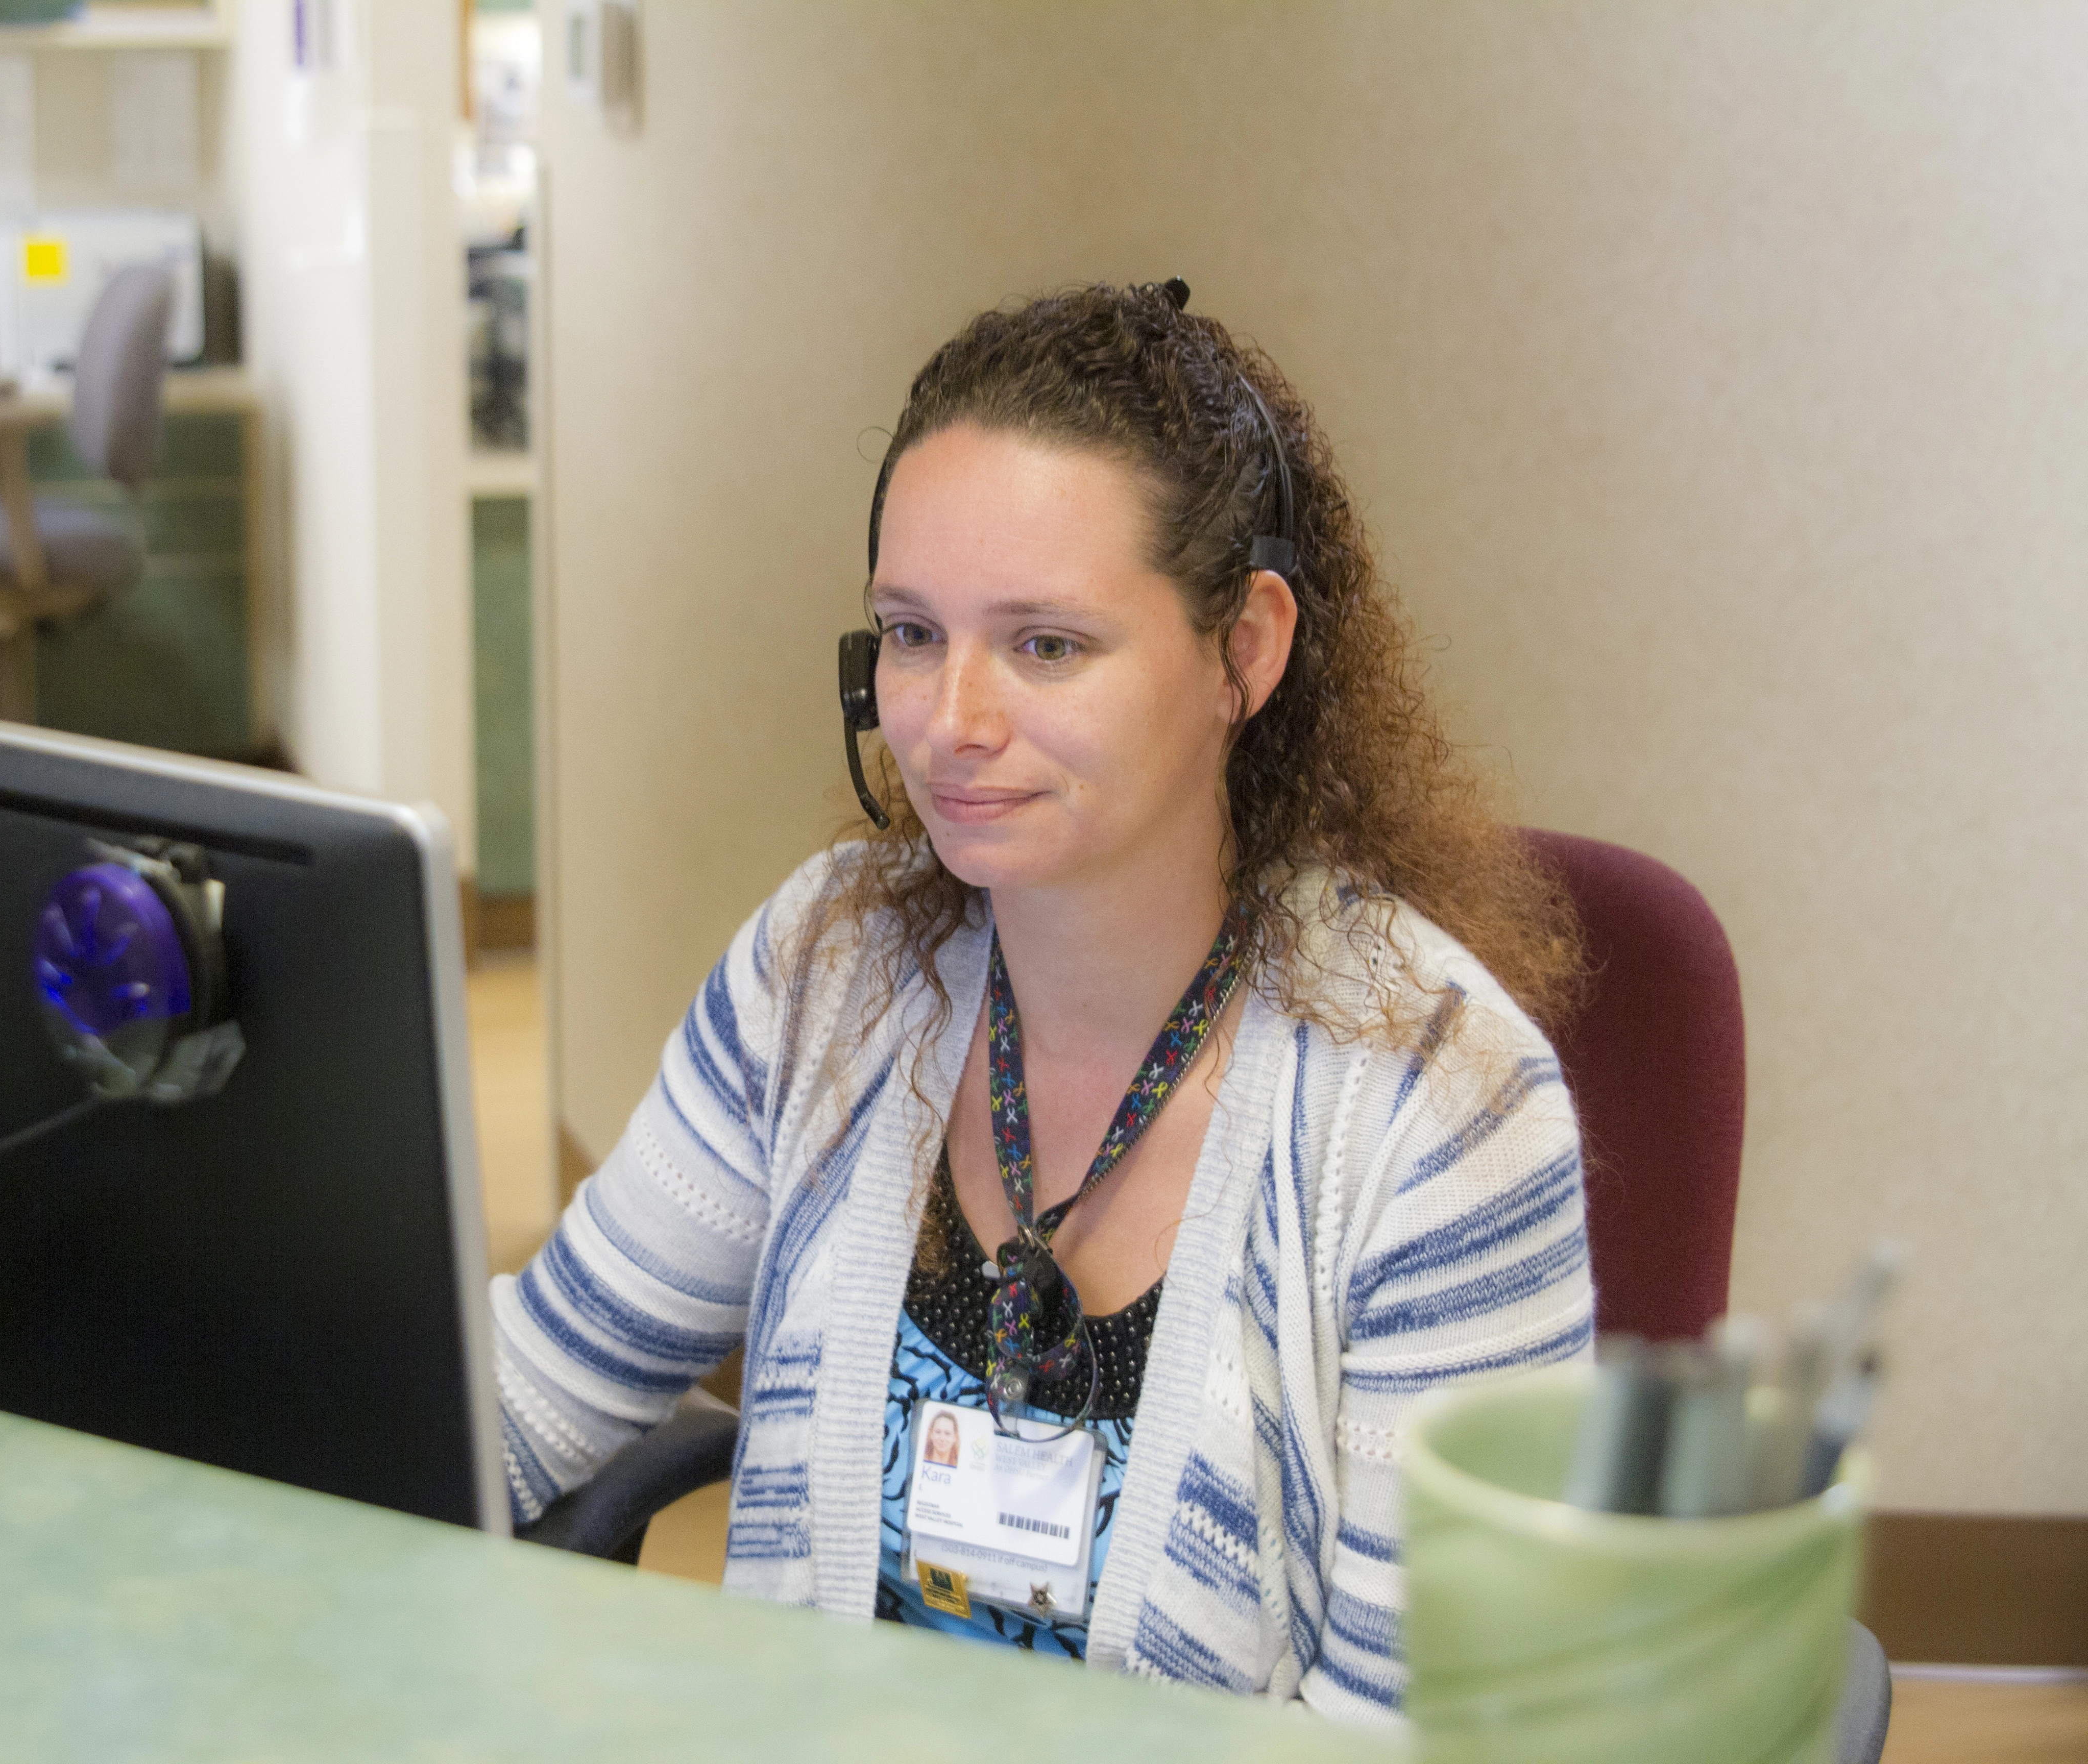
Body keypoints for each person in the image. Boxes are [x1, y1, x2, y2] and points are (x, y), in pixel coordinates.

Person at [492, 281, 1592, 1725]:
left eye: (1046, 646)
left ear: (1246, 650)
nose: (952, 723)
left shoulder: (1443, 1109)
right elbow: (527, 1392)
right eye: (911, 634)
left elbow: (1429, 1736)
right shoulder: (831, 967)